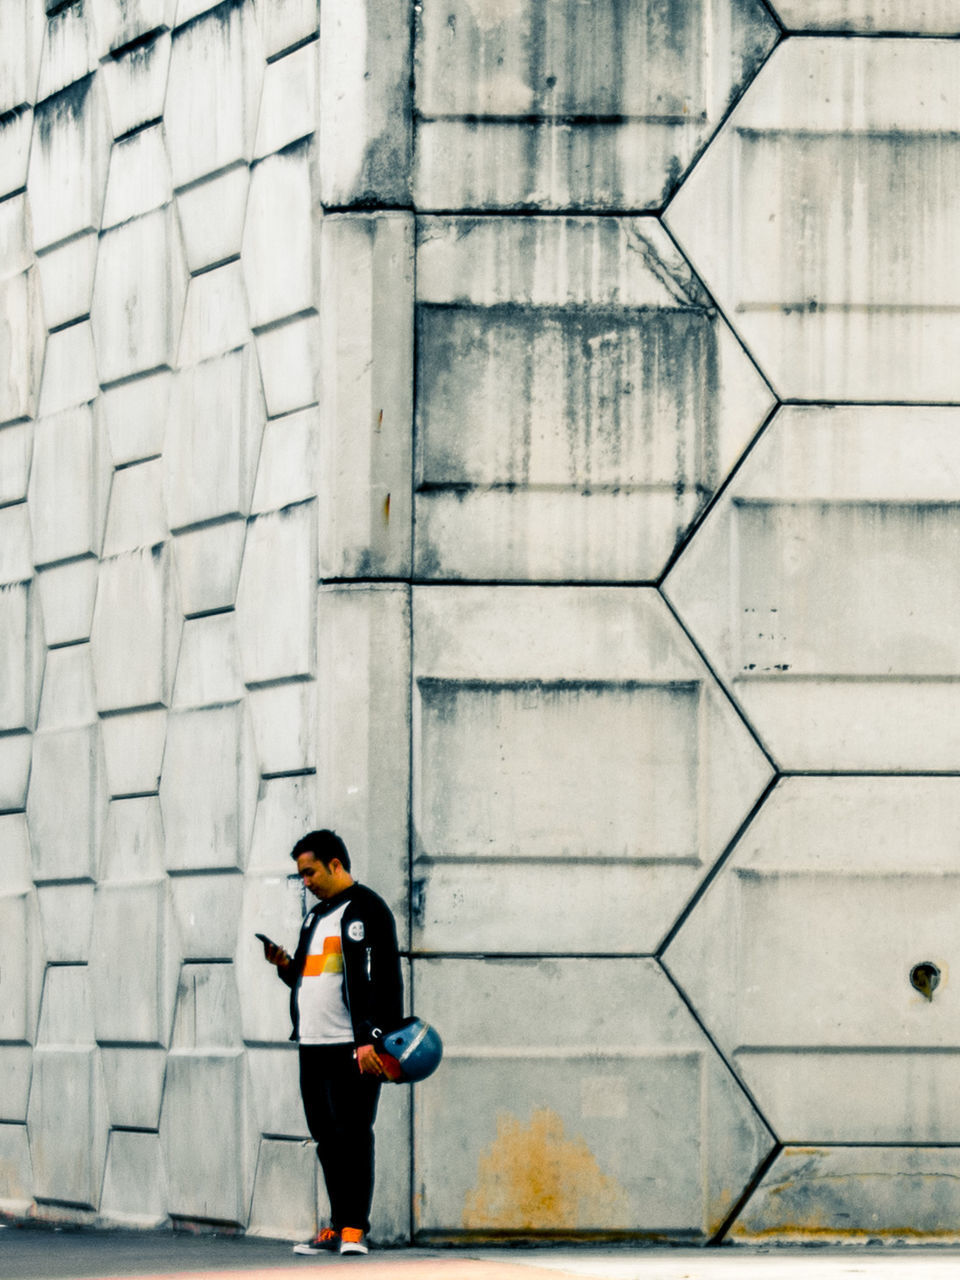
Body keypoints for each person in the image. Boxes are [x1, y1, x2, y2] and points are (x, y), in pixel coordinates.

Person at [259, 829, 403, 1257]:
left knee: (354, 1134)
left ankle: (356, 1229)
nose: (306, 881)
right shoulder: (316, 916)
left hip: (353, 1047)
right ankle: (338, 1226)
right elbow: (309, 976)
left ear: (335, 865)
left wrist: (372, 1040)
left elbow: (384, 981)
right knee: (326, 1138)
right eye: (301, 875)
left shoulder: (368, 910)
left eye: (310, 872)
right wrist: (285, 964)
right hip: (313, 1044)